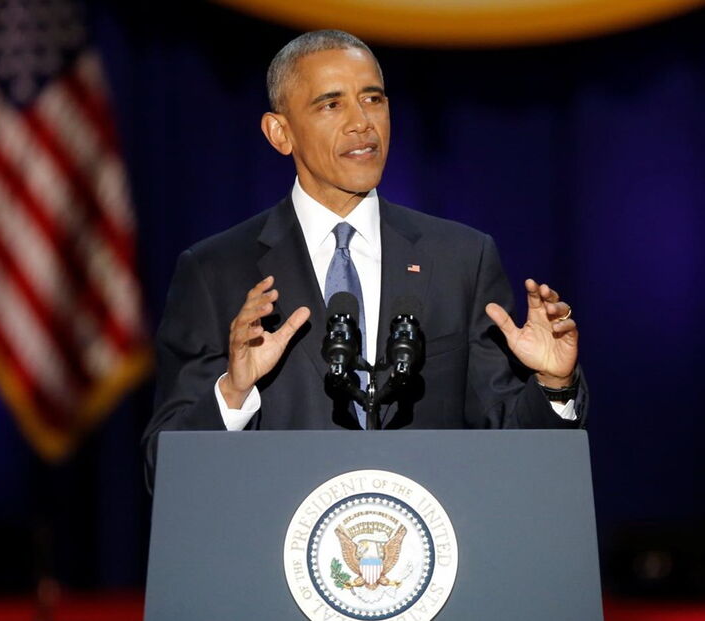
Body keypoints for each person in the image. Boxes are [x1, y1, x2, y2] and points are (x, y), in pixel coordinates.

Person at [142, 30, 587, 489]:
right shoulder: (215, 271)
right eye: (331, 105)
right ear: (280, 133)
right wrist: (233, 392)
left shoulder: (461, 259)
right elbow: (164, 468)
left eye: (372, 99)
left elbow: (512, 448)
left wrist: (553, 384)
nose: (362, 123)